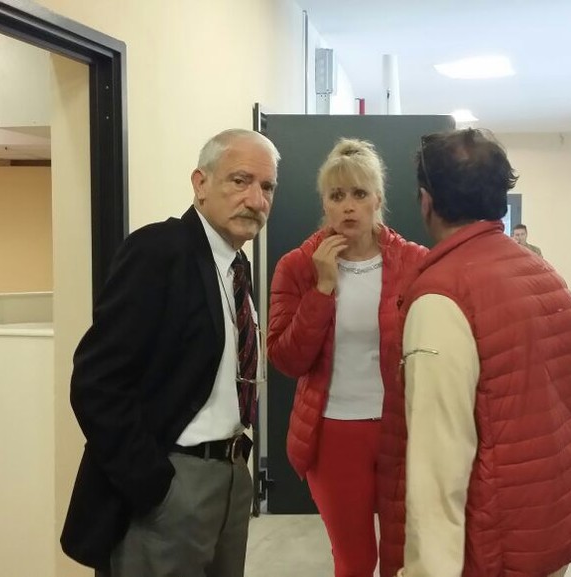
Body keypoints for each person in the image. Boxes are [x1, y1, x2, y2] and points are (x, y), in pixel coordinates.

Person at [60, 129, 280, 577]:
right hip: (173, 482)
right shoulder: (160, 251)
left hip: (231, 477)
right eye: (240, 181)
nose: (257, 200)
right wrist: (152, 483)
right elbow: (96, 381)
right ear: (201, 184)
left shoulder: (236, 267)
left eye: (267, 187)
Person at [391, 129, 571, 577]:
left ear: (426, 201)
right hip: (551, 527)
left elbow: (438, 464)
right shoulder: (544, 274)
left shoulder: (443, 297)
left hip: (494, 548)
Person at [267, 138, 427, 577]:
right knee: (355, 561)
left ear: (378, 199)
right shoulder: (297, 266)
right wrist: (322, 289)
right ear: (324, 203)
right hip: (334, 433)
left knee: (404, 559)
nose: (348, 206)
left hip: (403, 429)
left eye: (359, 193)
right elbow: (286, 359)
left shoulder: (416, 263)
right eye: (337, 196)